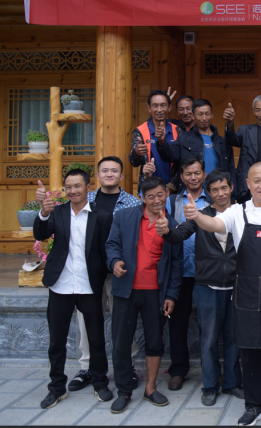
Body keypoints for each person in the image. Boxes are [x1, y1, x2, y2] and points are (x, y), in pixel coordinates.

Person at [183, 162, 261, 427]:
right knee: (249, 352)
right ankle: (254, 405)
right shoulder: (236, 212)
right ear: (248, 184)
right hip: (246, 295)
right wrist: (196, 216)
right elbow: (213, 223)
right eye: (256, 181)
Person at [157, 169, 244, 405]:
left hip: (237, 286)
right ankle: (210, 385)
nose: (221, 193)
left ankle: (232, 383)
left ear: (231, 188)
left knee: (234, 338)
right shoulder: (200, 215)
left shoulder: (243, 213)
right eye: (215, 190)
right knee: (209, 339)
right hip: (207, 286)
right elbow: (179, 235)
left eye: (224, 188)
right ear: (208, 193)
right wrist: (166, 231)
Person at [33, 169, 114, 409]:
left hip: (89, 286)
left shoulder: (102, 216)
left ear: (88, 187)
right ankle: (57, 387)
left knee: (96, 339)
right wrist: (43, 212)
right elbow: (40, 233)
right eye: (68, 187)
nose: (73, 191)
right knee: (57, 341)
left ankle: (100, 382)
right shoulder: (57, 212)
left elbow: (105, 250)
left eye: (77, 186)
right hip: (61, 285)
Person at [105, 176, 183, 414]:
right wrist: (115, 262)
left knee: (155, 341)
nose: (157, 200)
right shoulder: (124, 217)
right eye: (151, 197)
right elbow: (111, 245)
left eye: (160, 195)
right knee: (121, 342)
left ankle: (150, 388)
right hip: (125, 289)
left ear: (166, 194)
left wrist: (171, 294)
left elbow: (176, 264)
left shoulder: (172, 224)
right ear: (142, 198)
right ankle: (124, 391)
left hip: (156, 292)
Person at [70, 157, 142, 394]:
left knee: (123, 319)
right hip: (88, 270)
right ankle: (87, 367)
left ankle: (128, 365)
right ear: (97, 175)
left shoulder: (133, 203)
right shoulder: (85, 199)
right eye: (104, 171)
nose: (109, 174)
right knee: (86, 319)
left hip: (120, 271)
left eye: (114, 171)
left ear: (122, 176)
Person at [162, 156, 210, 391]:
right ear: (181, 177)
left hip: (206, 270)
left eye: (197, 173)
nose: (193, 177)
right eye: (188, 174)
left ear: (204, 174)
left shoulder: (213, 199)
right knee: (177, 323)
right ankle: (179, 370)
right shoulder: (171, 201)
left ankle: (211, 370)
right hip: (179, 272)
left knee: (208, 323)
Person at [156, 98, 236, 179]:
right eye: (200, 114)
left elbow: (231, 170)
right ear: (193, 116)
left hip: (217, 186)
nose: (204, 118)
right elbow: (169, 156)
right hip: (192, 186)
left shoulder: (222, 142)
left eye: (207, 114)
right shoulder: (183, 139)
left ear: (212, 115)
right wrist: (162, 141)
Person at [129, 89, 180, 191]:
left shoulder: (178, 130)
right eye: (155, 106)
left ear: (169, 108)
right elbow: (133, 162)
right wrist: (137, 152)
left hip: (173, 190)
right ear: (149, 108)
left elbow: (182, 162)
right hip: (148, 189)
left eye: (163, 105)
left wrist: (171, 187)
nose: (159, 110)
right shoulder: (140, 131)